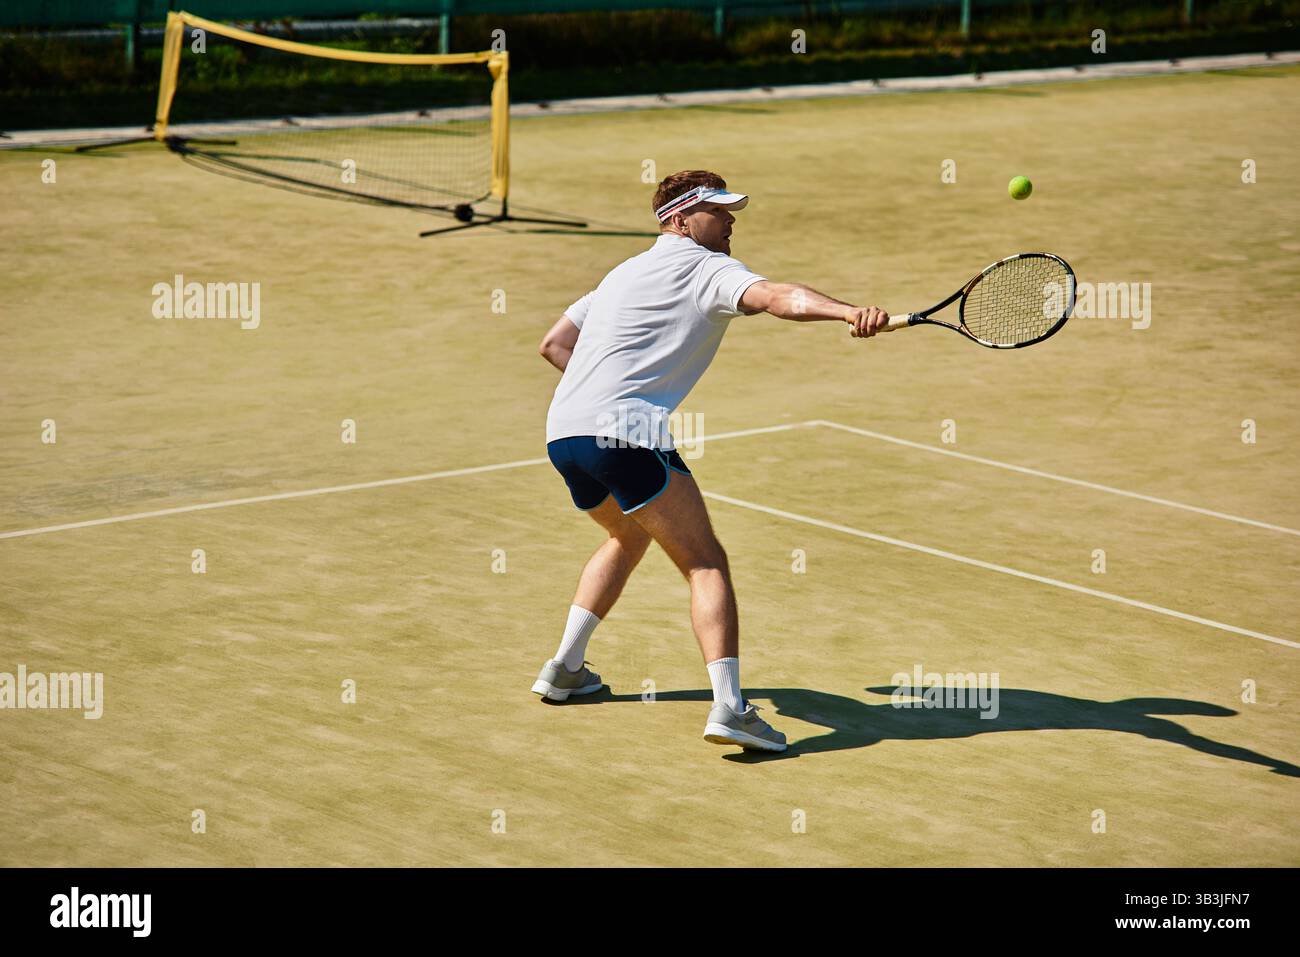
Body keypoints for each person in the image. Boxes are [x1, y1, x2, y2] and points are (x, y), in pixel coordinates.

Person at [533, 169, 889, 752]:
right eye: (718, 213)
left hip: (564, 434)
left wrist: (601, 395)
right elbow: (779, 299)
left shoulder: (620, 274)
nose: (730, 223)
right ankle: (730, 708)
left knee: (627, 536)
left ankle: (565, 668)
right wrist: (847, 312)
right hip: (627, 434)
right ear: (679, 220)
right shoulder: (706, 267)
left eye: (731, 213)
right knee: (705, 562)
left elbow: (553, 345)